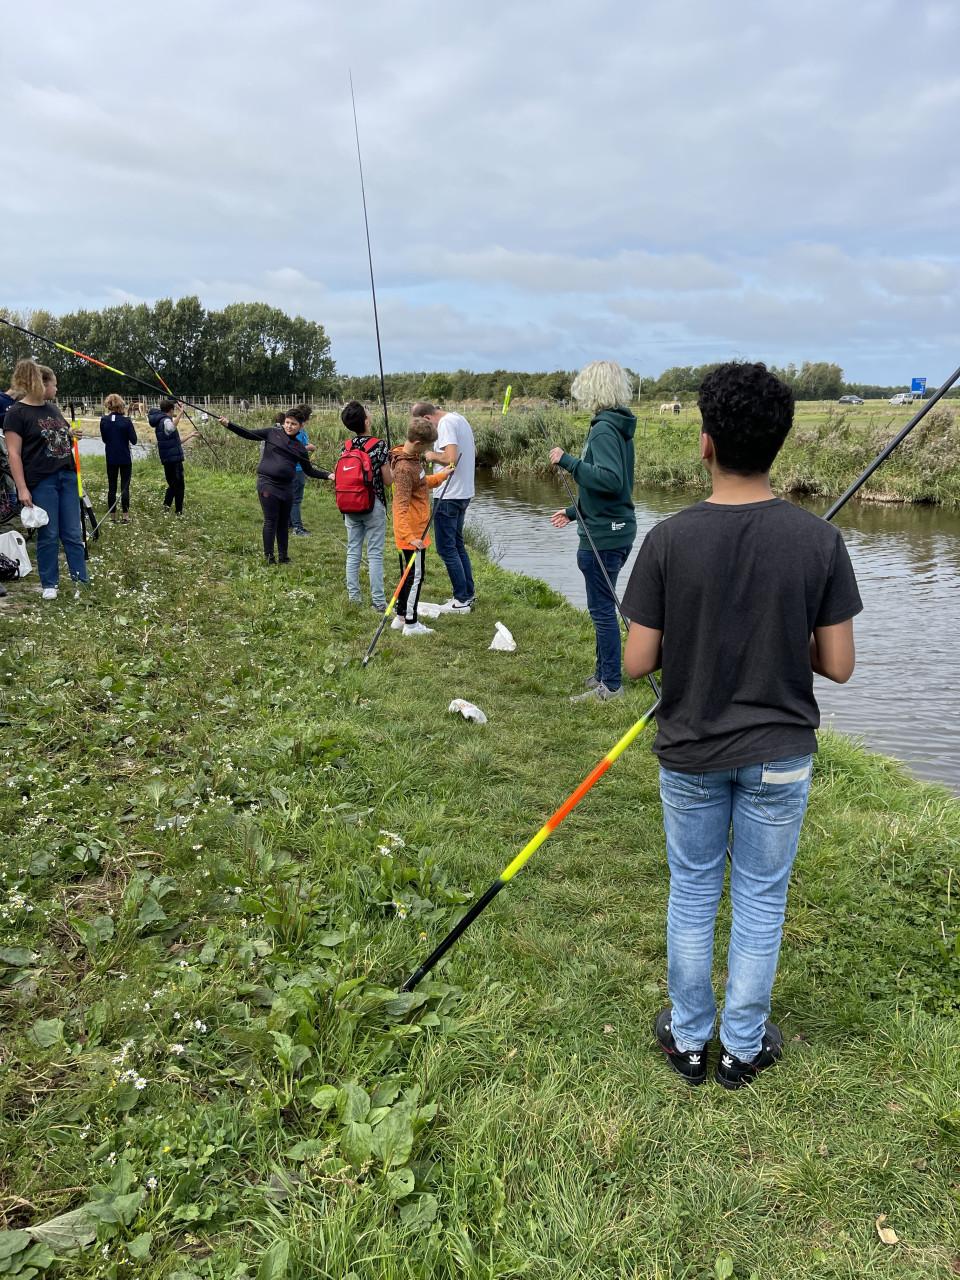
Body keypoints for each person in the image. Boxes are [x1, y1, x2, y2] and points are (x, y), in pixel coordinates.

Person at [622, 361, 862, 1090]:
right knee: (761, 895)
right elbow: (840, 665)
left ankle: (690, 1042)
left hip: (691, 749)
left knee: (693, 889)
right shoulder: (817, 542)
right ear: (780, 444)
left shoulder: (668, 540)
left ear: (705, 444)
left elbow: (636, 663)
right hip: (780, 753)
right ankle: (743, 1048)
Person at [548, 360, 636, 703]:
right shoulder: (618, 425)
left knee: (602, 610)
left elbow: (612, 482)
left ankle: (611, 685)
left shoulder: (603, 429)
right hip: (615, 528)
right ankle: (602, 672)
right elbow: (610, 487)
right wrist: (574, 512)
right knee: (603, 606)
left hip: (604, 536)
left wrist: (568, 461)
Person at [3, 358, 88, 600]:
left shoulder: (53, 409)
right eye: (54, 384)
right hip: (42, 481)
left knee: (73, 532)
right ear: (40, 383)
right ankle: (50, 584)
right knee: (48, 533)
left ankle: (81, 580)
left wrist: (70, 434)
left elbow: (55, 439)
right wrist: (22, 488)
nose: (57, 389)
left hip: (67, 476)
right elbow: (14, 453)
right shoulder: (16, 413)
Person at [219, 411, 330, 563]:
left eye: (294, 424)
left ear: (301, 426)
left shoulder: (300, 448)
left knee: (284, 523)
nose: (289, 426)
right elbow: (248, 434)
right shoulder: (272, 433)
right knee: (271, 520)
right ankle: (269, 557)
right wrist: (229, 425)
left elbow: (309, 470)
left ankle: (283, 556)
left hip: (286, 487)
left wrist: (328, 475)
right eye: (287, 422)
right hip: (267, 483)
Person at [389, 416, 452, 636]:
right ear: (417, 443)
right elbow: (400, 506)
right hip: (412, 533)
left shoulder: (412, 460)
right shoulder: (405, 468)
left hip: (416, 529)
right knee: (416, 576)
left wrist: (441, 476)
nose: (428, 451)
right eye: (427, 447)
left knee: (407, 575)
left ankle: (399, 616)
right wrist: (409, 536)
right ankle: (411, 623)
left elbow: (422, 485)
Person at [413, 401, 476, 613]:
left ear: (427, 418)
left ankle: (461, 600)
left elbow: (451, 460)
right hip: (463, 492)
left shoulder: (446, 424)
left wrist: (431, 456)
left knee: (446, 548)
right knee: (457, 545)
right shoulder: (459, 418)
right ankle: (467, 594)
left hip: (450, 494)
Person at [338, 400, 393, 612]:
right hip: (373, 504)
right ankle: (378, 602)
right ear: (367, 421)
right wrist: (392, 465)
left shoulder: (347, 446)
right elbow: (388, 481)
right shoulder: (379, 445)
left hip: (350, 504)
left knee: (353, 551)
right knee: (375, 554)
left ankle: (354, 598)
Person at [99, 394, 138, 523]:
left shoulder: (104, 420)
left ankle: (113, 517)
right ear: (121, 405)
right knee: (125, 487)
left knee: (112, 487)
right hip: (125, 457)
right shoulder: (126, 421)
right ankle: (125, 516)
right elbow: (134, 441)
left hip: (111, 457)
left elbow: (104, 439)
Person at [149, 398, 187, 514]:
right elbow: (171, 428)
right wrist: (181, 413)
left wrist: (190, 435)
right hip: (173, 459)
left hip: (167, 458)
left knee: (173, 484)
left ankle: (166, 508)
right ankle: (178, 512)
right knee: (179, 486)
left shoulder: (160, 420)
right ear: (170, 410)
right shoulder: (166, 420)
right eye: (174, 410)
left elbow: (174, 441)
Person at [285, 404, 315, 537]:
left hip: (291, 467)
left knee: (290, 497)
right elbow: (296, 447)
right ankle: (298, 527)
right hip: (298, 468)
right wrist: (310, 447)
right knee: (296, 499)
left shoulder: (289, 430)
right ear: (305, 420)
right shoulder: (299, 431)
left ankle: (289, 523)